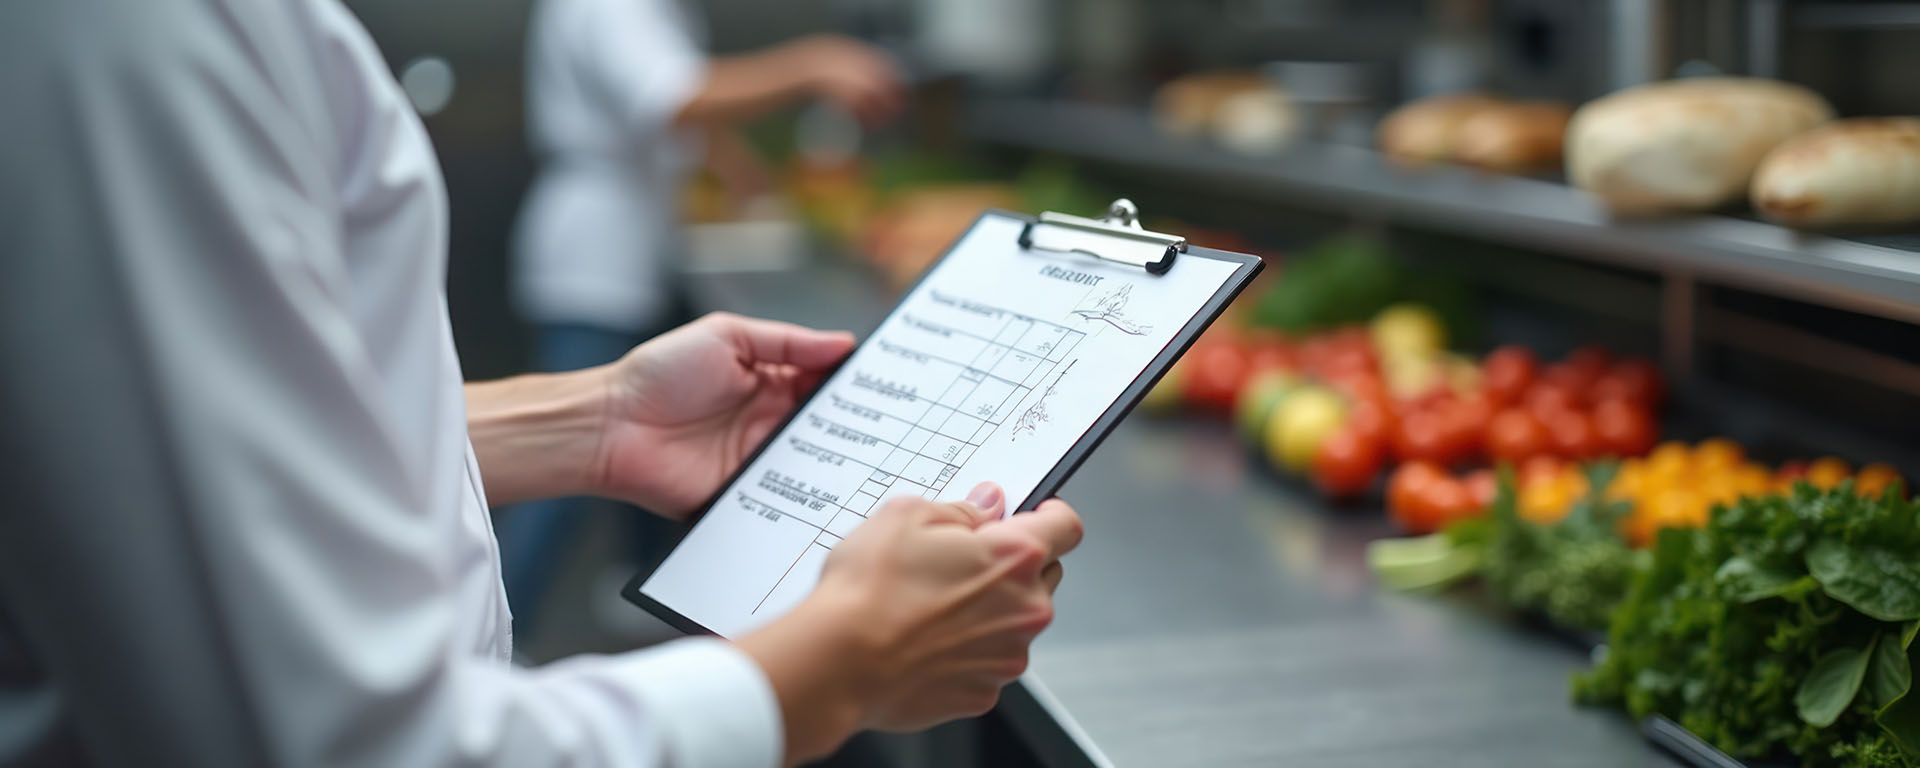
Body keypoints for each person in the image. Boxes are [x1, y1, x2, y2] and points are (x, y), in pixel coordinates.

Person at [0, 2, 1080, 767]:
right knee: (546, 548)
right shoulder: (132, 31)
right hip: (589, 249)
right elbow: (348, 746)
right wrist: (841, 662)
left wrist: (593, 420)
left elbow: (183, 449)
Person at [504, 0, 906, 638]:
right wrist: (811, 63)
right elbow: (674, 97)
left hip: (628, 245)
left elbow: (665, 115)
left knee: (627, 440)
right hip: (596, 253)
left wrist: (735, 165)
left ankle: (636, 597)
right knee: (567, 458)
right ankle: (496, 640)